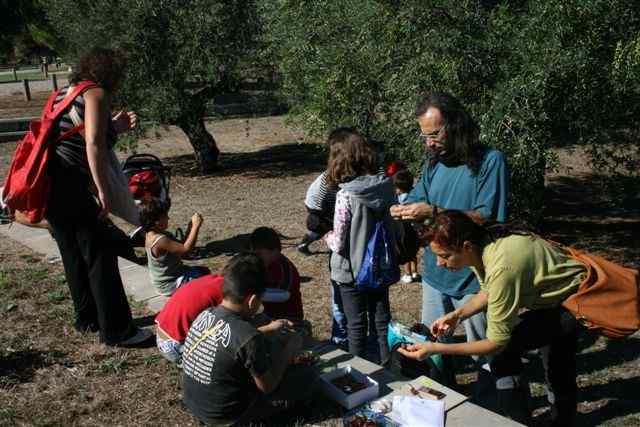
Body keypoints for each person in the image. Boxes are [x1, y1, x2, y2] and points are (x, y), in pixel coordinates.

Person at [398, 210, 592, 426]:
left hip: (575, 301)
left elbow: (495, 342)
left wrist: (436, 349)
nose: (439, 263)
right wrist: (458, 315)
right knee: (550, 362)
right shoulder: (480, 247)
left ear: (466, 247)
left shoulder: (502, 266)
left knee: (526, 356)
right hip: (551, 300)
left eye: (444, 256)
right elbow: (489, 292)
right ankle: (545, 417)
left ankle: (530, 421)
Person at [390, 91, 509, 383]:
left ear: (456, 124)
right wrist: (404, 210)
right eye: (424, 136)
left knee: (487, 355)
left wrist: (433, 211)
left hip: (474, 280)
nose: (429, 143)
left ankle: (493, 404)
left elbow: (488, 217)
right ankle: (442, 400)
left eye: (434, 134)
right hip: (435, 275)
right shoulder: (433, 162)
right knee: (433, 350)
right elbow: (418, 198)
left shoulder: (490, 161)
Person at [45, 47, 150, 346]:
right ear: (110, 73)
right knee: (100, 252)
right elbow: (93, 144)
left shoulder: (62, 94)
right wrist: (102, 191)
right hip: (71, 184)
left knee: (73, 253)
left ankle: (87, 318)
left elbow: (76, 137)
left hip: (50, 184)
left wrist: (114, 127)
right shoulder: (95, 93)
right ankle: (118, 331)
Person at [182, 253, 312, 426]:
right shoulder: (248, 337)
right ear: (252, 301)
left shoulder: (206, 314)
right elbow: (268, 386)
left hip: (196, 403)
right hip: (227, 416)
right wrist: (289, 351)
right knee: (306, 376)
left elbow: (232, 343)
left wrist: (269, 328)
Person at [324, 128, 402, 366]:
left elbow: (339, 242)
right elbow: (397, 227)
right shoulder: (387, 187)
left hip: (350, 271)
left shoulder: (345, 195)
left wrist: (326, 235)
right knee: (382, 321)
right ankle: (388, 367)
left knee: (356, 325)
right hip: (380, 265)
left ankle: (360, 374)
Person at [155, 272, 293, 365]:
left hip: (164, 334)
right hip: (176, 345)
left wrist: (257, 320)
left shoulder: (219, 282)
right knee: (234, 360)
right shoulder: (223, 298)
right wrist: (269, 328)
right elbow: (236, 340)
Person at [139, 197, 210, 296]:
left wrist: (189, 229)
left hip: (170, 277)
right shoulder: (159, 240)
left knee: (204, 271)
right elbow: (186, 250)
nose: (168, 218)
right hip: (169, 284)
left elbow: (180, 246)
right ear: (156, 222)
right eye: (165, 216)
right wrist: (195, 226)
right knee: (206, 280)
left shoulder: (151, 234)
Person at [250, 227, 304, 322]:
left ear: (274, 251)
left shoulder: (284, 268)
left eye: (259, 254)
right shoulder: (264, 264)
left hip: (289, 317)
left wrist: (251, 294)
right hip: (270, 314)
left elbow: (284, 295)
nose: (255, 258)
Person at [391, 166, 420, 284]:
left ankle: (408, 274)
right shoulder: (414, 195)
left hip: (404, 229)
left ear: (399, 188)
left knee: (405, 252)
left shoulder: (401, 199)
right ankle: (415, 272)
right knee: (413, 252)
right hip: (414, 229)